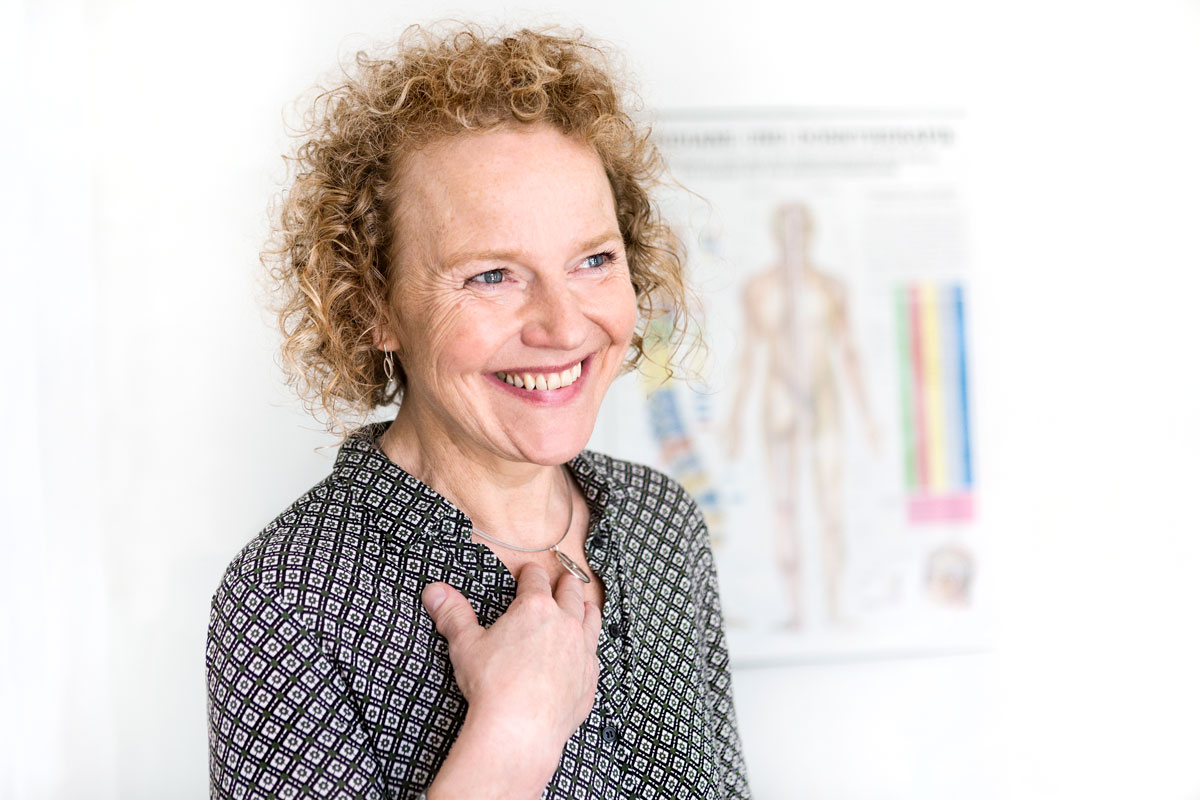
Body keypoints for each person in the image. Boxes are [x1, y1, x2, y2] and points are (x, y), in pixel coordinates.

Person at [205, 24, 751, 800]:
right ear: (373, 308)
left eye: (593, 260)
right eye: (492, 275)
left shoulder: (659, 522)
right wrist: (512, 736)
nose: (563, 326)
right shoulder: (290, 597)